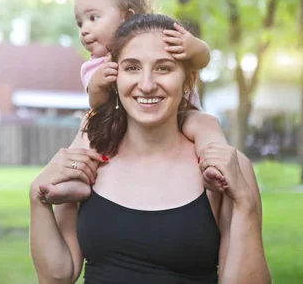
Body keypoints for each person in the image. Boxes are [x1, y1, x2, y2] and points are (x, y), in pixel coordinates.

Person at [29, 14, 270, 284]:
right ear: (114, 79)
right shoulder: (88, 162)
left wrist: (245, 203)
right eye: (132, 67)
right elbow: (57, 277)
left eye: (163, 68)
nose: (146, 84)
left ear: (188, 81)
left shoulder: (224, 167)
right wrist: (37, 199)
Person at [39, 0, 227, 204]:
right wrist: (97, 85)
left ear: (128, 17)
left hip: (182, 114)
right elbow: (98, 104)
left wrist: (196, 47)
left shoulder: (163, 39)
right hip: (122, 124)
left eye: (94, 18)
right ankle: (75, 182)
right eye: (80, 22)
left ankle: (216, 164)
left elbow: (202, 60)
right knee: (87, 129)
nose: (85, 29)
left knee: (206, 123)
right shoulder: (94, 65)